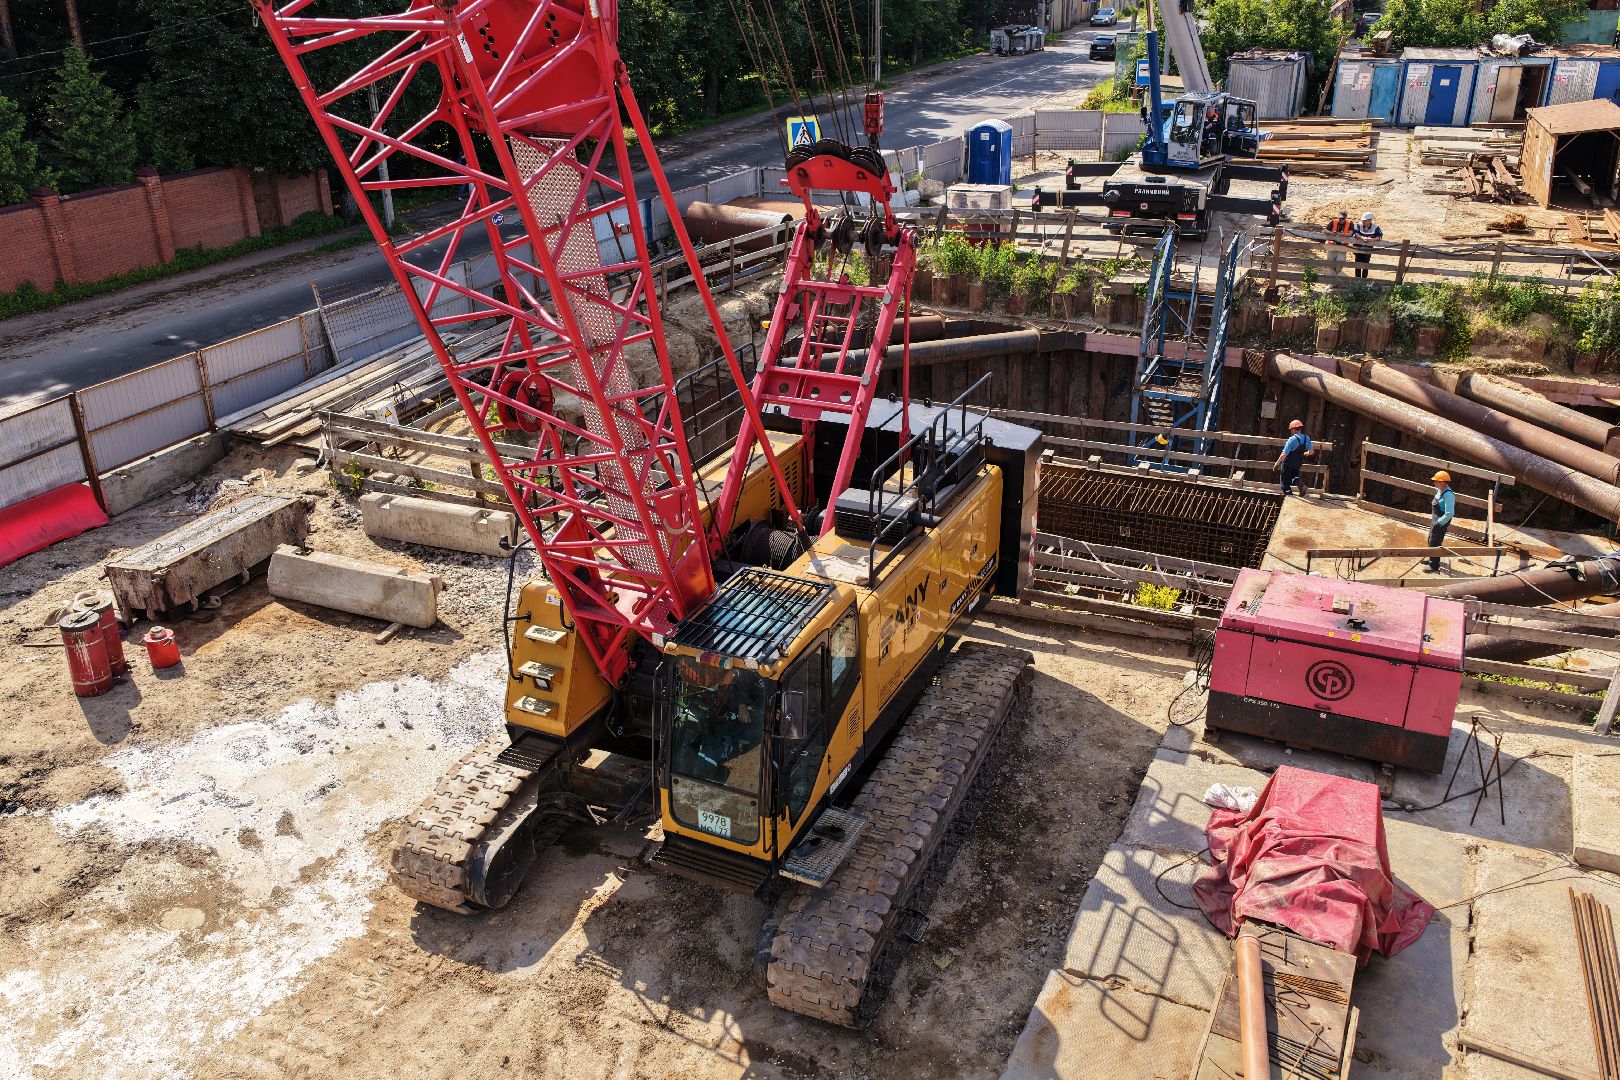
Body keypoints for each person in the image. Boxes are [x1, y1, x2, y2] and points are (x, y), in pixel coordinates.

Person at [1275, 419, 1314, 496]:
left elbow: (1284, 454)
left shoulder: (1292, 439)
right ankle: (1301, 486)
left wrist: (1277, 463)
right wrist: (1305, 454)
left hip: (1288, 463)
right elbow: (1311, 452)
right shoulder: (1307, 439)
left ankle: (1289, 495)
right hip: (1298, 462)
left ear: (1293, 429)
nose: (1290, 431)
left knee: (1285, 481)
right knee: (1294, 476)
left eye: (1291, 429)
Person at [1427, 470, 1455, 572]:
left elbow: (1449, 513)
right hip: (1436, 518)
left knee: (1435, 541)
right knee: (1431, 538)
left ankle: (1434, 566)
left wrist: (1438, 523)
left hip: (1441, 521)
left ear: (1443, 482)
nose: (1434, 483)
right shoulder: (1439, 490)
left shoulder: (1448, 495)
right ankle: (1431, 558)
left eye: (1436, 481)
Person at [1352, 211, 1383, 279]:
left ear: (1369, 221)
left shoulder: (1375, 227)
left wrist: (1372, 240)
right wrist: (1362, 238)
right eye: (1363, 220)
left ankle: (1364, 280)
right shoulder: (1359, 225)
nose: (1363, 222)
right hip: (1358, 248)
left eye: (1365, 221)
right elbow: (1355, 234)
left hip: (1368, 249)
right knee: (1358, 265)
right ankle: (1357, 280)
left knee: (1366, 265)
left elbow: (1379, 237)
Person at [1325, 210, 1351, 275]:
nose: (1341, 220)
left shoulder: (1350, 223)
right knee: (1330, 263)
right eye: (1340, 218)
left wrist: (1344, 234)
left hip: (1343, 247)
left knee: (1340, 263)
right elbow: (1325, 230)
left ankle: (1334, 278)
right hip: (1332, 246)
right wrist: (1332, 233)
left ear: (1346, 218)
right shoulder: (1333, 221)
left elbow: (1351, 233)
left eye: (1343, 218)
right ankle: (1332, 281)